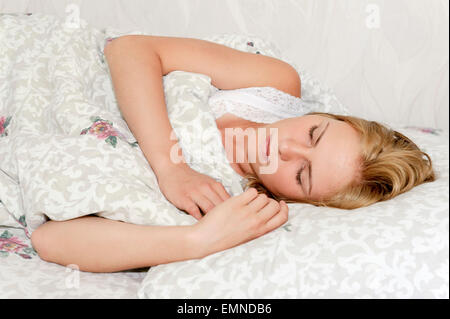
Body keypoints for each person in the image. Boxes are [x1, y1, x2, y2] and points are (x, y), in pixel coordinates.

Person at [30, 35, 435, 273]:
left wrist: (197, 241)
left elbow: (51, 239)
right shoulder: (273, 86)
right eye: (313, 133)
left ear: (297, 200)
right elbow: (129, 49)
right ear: (323, 115)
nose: (284, 147)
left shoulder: (224, 201)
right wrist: (172, 168)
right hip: (43, 66)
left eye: (301, 175)